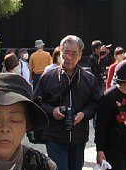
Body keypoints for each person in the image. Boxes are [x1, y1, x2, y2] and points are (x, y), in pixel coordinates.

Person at [33, 35, 101, 170]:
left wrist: (84, 114)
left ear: (80, 55)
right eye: (66, 52)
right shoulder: (48, 77)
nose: (69, 57)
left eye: (74, 54)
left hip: (78, 136)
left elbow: (96, 103)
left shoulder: (89, 79)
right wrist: (52, 111)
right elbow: (36, 103)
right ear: (60, 52)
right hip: (55, 136)